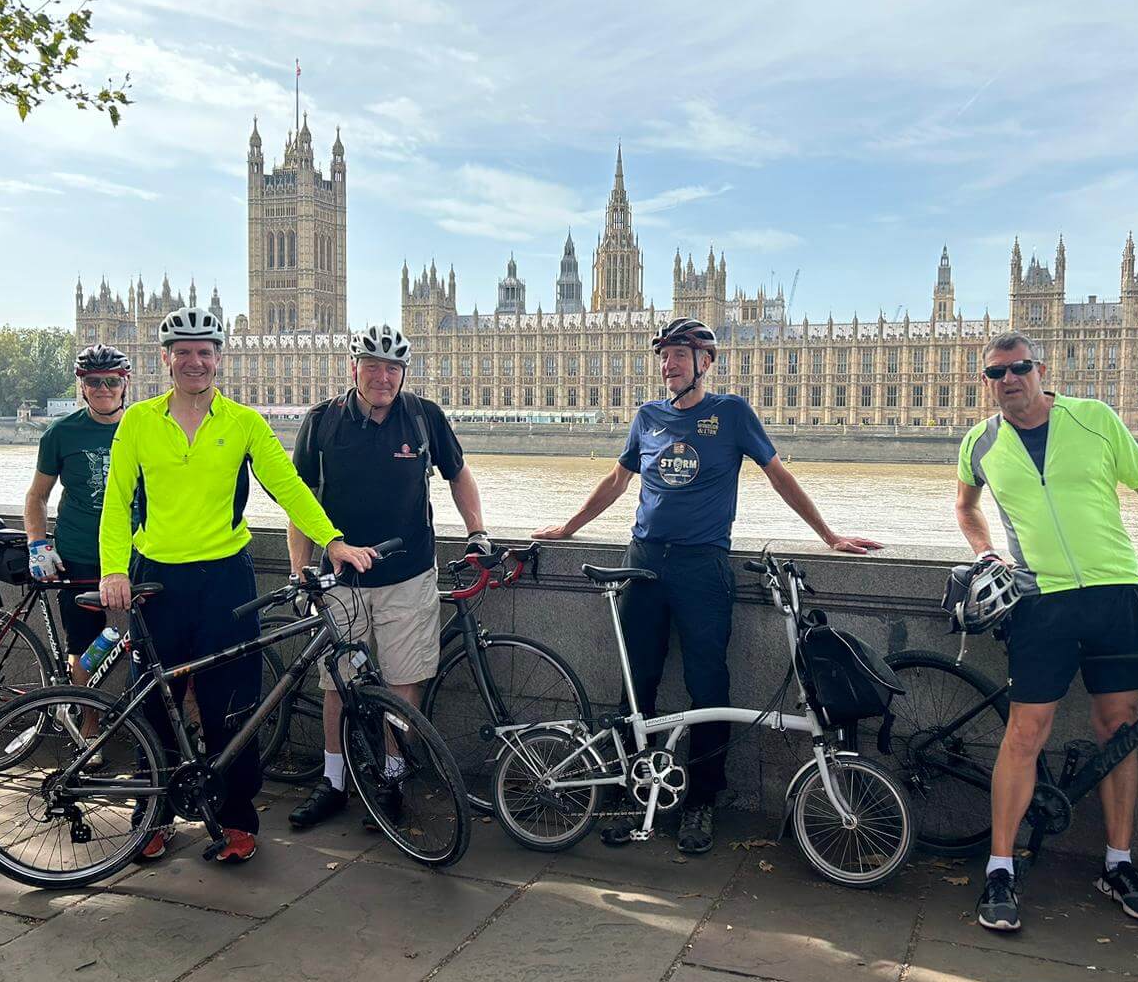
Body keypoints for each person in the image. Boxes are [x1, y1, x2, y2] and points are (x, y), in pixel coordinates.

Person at [532, 317, 884, 854]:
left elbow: (779, 475)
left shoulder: (733, 414)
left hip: (703, 565)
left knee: (708, 687)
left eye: (678, 354)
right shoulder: (647, 417)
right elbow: (617, 481)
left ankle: (702, 801)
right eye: (664, 356)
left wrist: (829, 535)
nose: (668, 364)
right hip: (643, 562)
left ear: (706, 362)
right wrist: (568, 528)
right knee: (637, 684)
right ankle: (635, 791)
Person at [956, 331, 1138, 932]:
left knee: (1119, 729)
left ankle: (1117, 864)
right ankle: (1000, 869)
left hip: (1117, 594)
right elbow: (966, 507)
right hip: (1041, 602)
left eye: (1018, 368)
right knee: (1025, 734)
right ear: (986, 382)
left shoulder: (1094, 419)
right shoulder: (980, 442)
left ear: (1040, 369)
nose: (1009, 380)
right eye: (996, 373)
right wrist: (987, 552)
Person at [99, 305, 375, 864]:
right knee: (155, 702)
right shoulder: (138, 421)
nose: (194, 362)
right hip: (157, 578)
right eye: (184, 353)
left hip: (227, 577)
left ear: (219, 359)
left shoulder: (244, 422)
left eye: (205, 353)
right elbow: (116, 500)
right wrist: (114, 569)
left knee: (235, 705)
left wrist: (334, 541)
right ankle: (150, 816)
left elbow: (289, 487)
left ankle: (237, 820)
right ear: (166, 360)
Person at [285, 323, 490, 831]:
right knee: (339, 682)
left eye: (392, 368)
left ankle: (392, 776)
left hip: (409, 574)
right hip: (340, 579)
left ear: (403, 373)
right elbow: (300, 500)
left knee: (403, 682)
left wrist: (478, 532)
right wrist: (299, 570)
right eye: (372, 366)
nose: (382, 376)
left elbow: (458, 474)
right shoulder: (321, 421)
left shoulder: (423, 418)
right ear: (353, 368)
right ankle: (333, 779)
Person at [24, 345, 131, 708]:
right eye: (94, 381)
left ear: (124, 384)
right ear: (81, 385)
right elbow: (37, 495)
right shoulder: (60, 433)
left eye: (112, 381)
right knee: (83, 647)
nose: (104, 388)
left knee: (159, 642)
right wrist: (37, 545)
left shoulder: (144, 428)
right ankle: (87, 730)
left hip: (134, 554)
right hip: (80, 554)